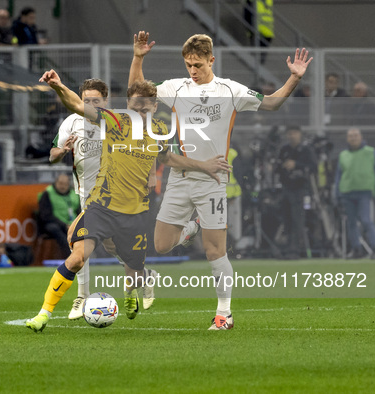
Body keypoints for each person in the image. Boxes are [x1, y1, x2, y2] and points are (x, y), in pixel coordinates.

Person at [25, 69, 231, 333]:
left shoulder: (158, 130)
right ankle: (44, 314)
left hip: (135, 214)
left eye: (145, 108)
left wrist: (204, 166)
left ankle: (130, 291)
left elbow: (168, 159)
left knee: (133, 271)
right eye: (134, 107)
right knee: (77, 258)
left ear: (155, 107)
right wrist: (57, 86)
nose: (139, 113)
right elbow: (76, 105)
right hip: (101, 207)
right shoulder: (114, 121)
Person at [130, 31, 312, 329]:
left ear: (211, 60)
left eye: (198, 64)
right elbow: (137, 93)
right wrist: (138, 58)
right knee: (161, 245)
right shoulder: (176, 88)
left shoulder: (229, 90)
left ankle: (224, 314)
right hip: (179, 176)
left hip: (212, 180)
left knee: (215, 251)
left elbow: (271, 103)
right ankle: (191, 228)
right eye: (188, 64)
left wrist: (294, 78)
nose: (193, 70)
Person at [50, 78, 159, 319]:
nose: (90, 104)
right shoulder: (71, 122)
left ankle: (82, 296)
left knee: (78, 242)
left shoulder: (114, 121)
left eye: (95, 101)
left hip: (110, 196)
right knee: (106, 246)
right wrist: (63, 151)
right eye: (86, 100)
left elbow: (144, 147)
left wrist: (151, 174)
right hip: (84, 192)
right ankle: (141, 274)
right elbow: (52, 155)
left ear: (105, 101)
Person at [335, 128, 375, 258]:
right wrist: (337, 194)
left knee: (366, 220)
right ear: (347, 139)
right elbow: (338, 176)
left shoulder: (370, 152)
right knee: (351, 223)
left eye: (355, 136)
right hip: (347, 192)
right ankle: (356, 249)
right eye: (350, 136)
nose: (353, 138)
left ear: (361, 137)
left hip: (364, 192)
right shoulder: (343, 155)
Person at [277, 126, 316, 259]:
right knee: (286, 218)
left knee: (297, 219)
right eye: (289, 133)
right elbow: (278, 166)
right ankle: (288, 247)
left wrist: (296, 164)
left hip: (300, 189)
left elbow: (313, 166)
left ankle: (295, 249)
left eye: (294, 133)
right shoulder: (284, 150)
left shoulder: (306, 150)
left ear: (299, 134)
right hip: (286, 187)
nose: (292, 136)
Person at [37, 174, 81, 257]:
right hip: (54, 224)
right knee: (54, 228)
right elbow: (46, 216)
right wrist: (64, 225)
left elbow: (79, 211)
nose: (63, 186)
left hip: (72, 224)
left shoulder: (74, 194)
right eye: (60, 183)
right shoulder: (48, 193)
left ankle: (95, 256)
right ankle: (71, 255)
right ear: (56, 183)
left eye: (65, 184)